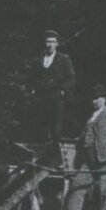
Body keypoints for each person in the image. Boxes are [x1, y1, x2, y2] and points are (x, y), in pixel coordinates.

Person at [31, 30, 78, 160]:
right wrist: (33, 90)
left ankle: (56, 155)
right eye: (47, 41)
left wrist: (62, 90)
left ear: (57, 44)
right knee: (42, 124)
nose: (49, 45)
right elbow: (33, 77)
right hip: (42, 96)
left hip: (57, 97)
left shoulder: (63, 59)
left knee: (56, 125)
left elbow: (71, 78)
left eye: (52, 42)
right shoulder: (39, 59)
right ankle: (42, 153)